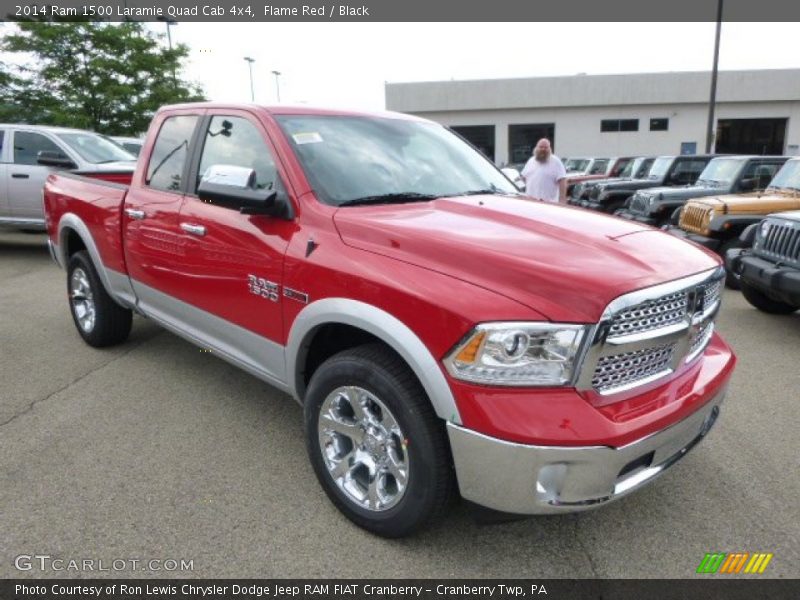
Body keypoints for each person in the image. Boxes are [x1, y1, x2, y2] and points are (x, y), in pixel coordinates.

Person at [520, 138, 567, 203]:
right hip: (530, 202)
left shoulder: (556, 162)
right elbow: (523, 177)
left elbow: (562, 181)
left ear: (550, 149)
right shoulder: (531, 161)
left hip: (549, 203)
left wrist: (562, 200)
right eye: (541, 147)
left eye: (546, 147)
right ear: (536, 148)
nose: (543, 149)